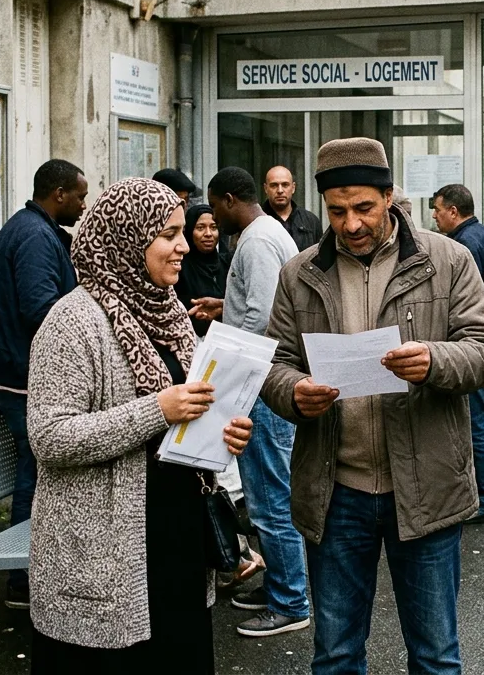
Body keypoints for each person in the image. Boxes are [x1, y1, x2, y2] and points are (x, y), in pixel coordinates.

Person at [262, 137, 484, 675]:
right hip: (336, 490)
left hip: (425, 488)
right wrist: (295, 392)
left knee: (436, 656)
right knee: (336, 654)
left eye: (364, 208)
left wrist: (434, 361)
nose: (351, 224)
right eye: (338, 211)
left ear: (390, 197)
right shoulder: (299, 273)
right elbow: (273, 364)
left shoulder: (448, 260)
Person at [25, 177, 254, 673]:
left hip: (176, 536)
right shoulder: (73, 322)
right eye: (168, 234)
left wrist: (226, 433)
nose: (183, 246)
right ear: (126, 239)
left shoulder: (167, 310)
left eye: (182, 232)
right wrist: (158, 410)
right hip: (106, 550)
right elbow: (49, 436)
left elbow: (191, 407)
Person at [0, 159, 88, 610]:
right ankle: (24, 580)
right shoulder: (35, 237)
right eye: (79, 195)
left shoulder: (35, 229)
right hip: (26, 377)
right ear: (58, 193)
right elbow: (42, 308)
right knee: (37, 477)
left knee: (36, 473)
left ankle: (30, 575)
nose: (84, 204)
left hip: (21, 372)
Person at [206, 167, 310, 638]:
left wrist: (227, 360)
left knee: (270, 499)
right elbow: (254, 305)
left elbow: (266, 315)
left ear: (230, 200)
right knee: (270, 492)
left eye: (214, 206)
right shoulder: (263, 234)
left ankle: (290, 602)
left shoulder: (256, 239)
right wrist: (222, 309)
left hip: (263, 382)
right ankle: (282, 589)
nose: (212, 217)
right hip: (264, 378)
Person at [432, 183, 484, 524]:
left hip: (470, 345)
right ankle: (482, 497)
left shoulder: (465, 246)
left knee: (473, 421)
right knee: (475, 418)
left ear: (453, 211)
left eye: (437, 210)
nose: (434, 216)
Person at [174, 204, 229, 337]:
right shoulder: (179, 267)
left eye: (214, 227)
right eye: (200, 228)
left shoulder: (228, 262)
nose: (208, 234)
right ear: (189, 232)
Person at [262, 165, 323, 251]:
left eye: (285, 185)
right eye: (274, 185)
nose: (280, 190)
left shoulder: (311, 221)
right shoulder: (257, 221)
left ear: (293, 188)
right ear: (266, 188)